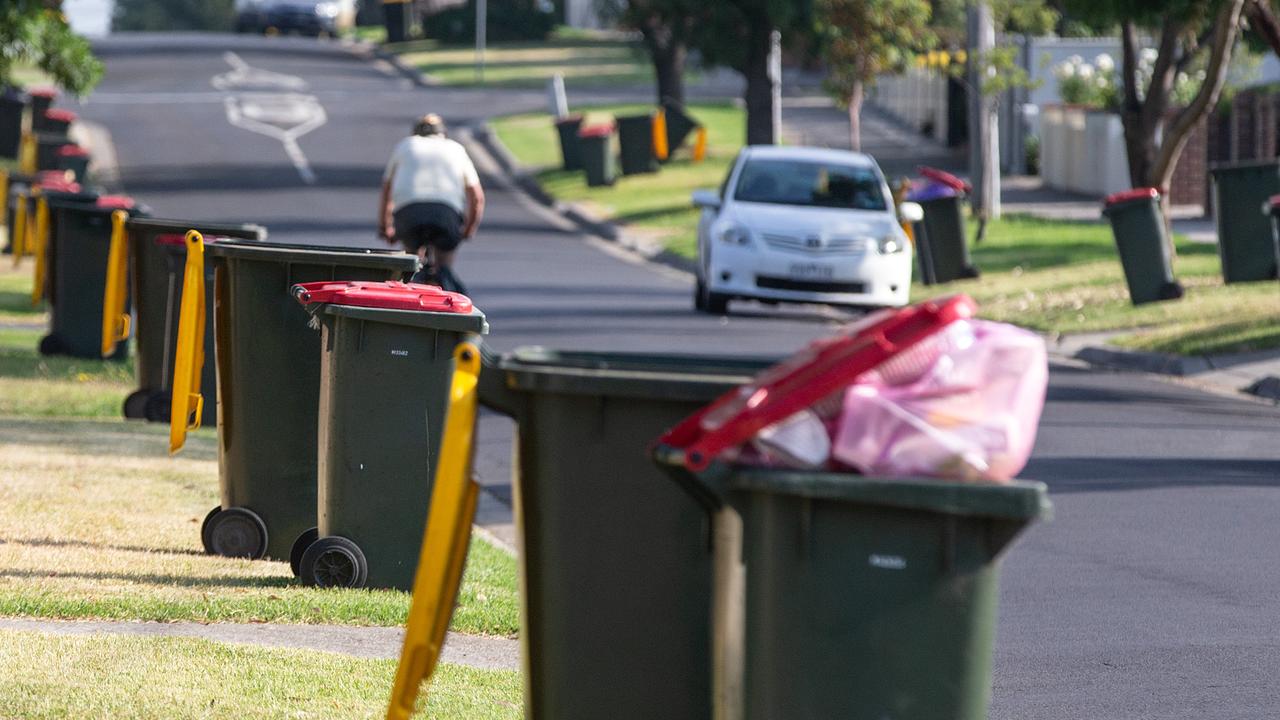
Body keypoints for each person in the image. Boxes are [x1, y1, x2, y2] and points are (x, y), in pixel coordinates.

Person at [379, 113, 485, 293]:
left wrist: (385, 227)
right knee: (445, 261)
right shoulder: (455, 148)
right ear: (443, 133)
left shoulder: (405, 146)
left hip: (409, 214)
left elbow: (387, 193)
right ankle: (448, 285)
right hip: (446, 215)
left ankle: (407, 289)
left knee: (409, 264)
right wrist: (468, 231)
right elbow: (477, 198)